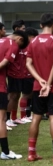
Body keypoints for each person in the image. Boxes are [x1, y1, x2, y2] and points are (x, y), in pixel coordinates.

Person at [26, 13, 53, 162]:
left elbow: (28, 64)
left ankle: (31, 153)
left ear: (40, 25)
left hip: (37, 86)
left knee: (35, 118)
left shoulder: (33, 42)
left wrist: (40, 81)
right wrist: (49, 84)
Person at [0, 30, 28, 160]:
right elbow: (5, 62)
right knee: (1, 120)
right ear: (19, 39)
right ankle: (5, 152)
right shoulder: (13, 44)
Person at [6, 20, 30, 128]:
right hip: (12, 74)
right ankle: (6, 119)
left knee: (17, 96)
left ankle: (13, 118)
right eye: (23, 28)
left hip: (20, 74)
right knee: (12, 96)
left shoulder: (21, 45)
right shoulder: (10, 43)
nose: (24, 31)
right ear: (16, 29)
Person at [20, 28, 39, 124]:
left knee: (30, 94)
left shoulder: (31, 46)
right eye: (34, 37)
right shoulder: (24, 47)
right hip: (25, 75)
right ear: (30, 37)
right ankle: (23, 116)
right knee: (25, 95)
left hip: (32, 74)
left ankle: (27, 114)